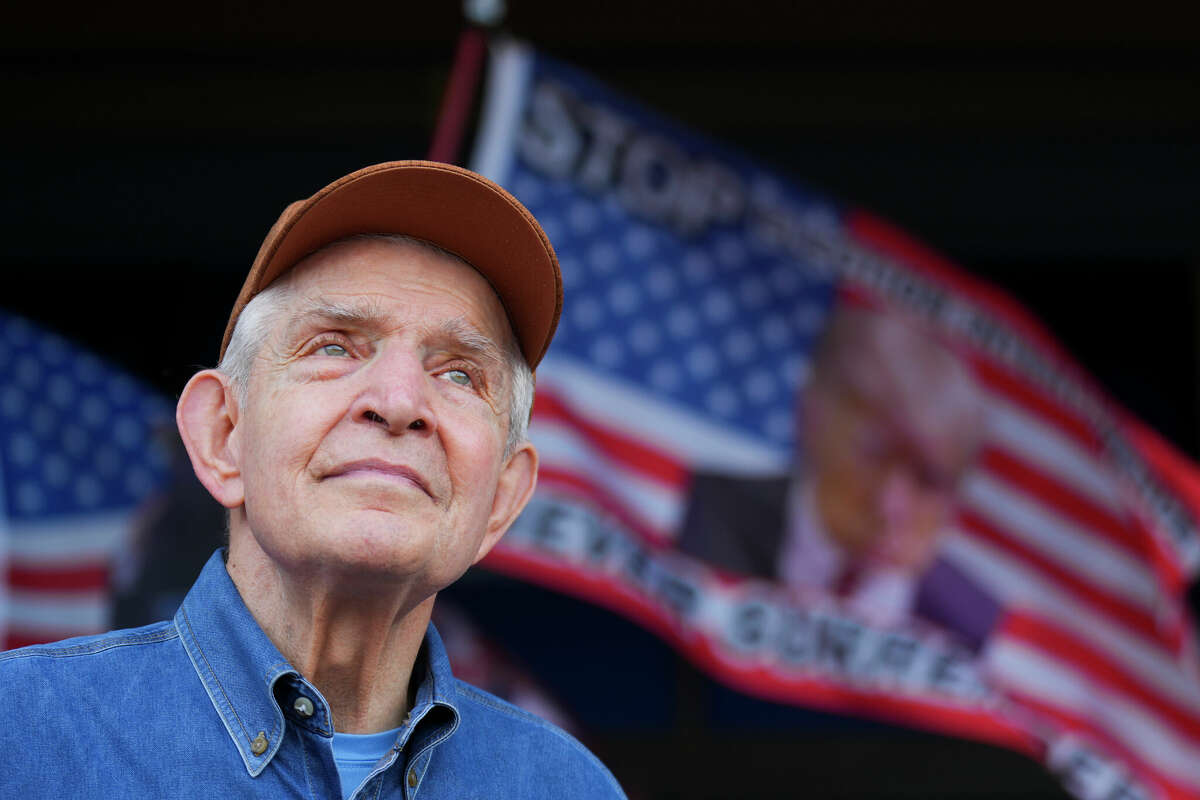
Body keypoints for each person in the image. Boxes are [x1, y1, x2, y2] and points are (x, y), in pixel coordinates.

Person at [0, 161, 626, 798]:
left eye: (460, 374)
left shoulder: (568, 787)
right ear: (222, 437)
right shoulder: (19, 737)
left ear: (501, 500)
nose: (401, 400)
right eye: (335, 346)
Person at [680, 303, 1001, 649]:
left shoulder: (971, 625)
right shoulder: (706, 514)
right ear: (811, 418)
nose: (890, 504)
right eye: (875, 454)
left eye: (928, 479)